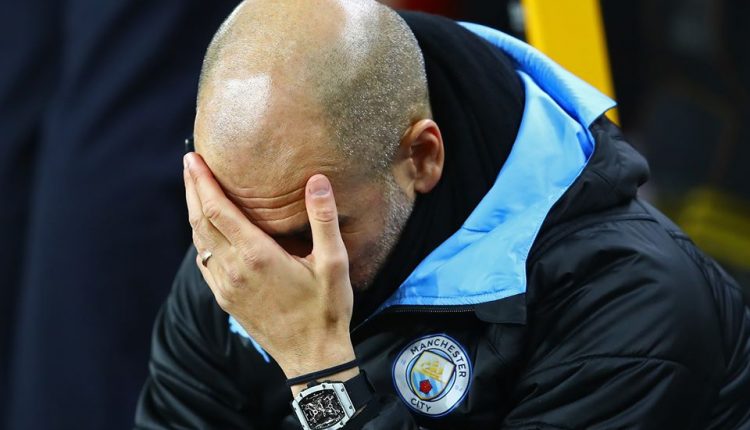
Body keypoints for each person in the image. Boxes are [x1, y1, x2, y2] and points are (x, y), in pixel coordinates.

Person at [135, 0, 750, 428]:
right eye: (233, 224)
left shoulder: (631, 305)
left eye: (317, 230)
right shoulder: (247, 240)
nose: (268, 271)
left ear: (422, 158)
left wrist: (319, 372)